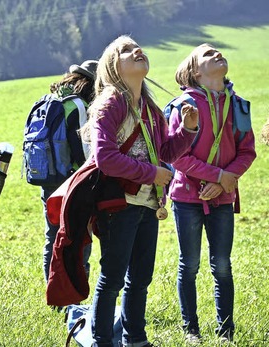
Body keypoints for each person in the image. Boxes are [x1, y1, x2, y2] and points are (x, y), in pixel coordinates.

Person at [79, 35, 199, 347]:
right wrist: (153, 173)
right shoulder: (111, 103)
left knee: (140, 279)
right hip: (118, 203)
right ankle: (102, 341)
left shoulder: (148, 107)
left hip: (147, 203)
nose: (137, 51)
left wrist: (187, 131)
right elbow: (105, 159)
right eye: (127, 50)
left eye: (138, 48)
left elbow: (164, 152)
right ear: (112, 67)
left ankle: (136, 339)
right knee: (113, 278)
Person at [167, 44, 256, 344]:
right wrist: (218, 175)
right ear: (195, 72)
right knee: (189, 265)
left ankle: (226, 331)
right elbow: (177, 157)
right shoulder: (184, 106)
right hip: (186, 198)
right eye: (208, 55)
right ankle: (191, 329)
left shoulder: (239, 104)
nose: (217, 54)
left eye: (218, 51)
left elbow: (247, 151)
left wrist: (223, 182)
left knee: (222, 264)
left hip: (222, 197)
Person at [41, 59, 98, 284]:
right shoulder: (78, 106)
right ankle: (75, 292)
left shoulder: (51, 99)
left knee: (52, 236)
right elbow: (83, 151)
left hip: (48, 177)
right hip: (72, 182)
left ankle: (52, 290)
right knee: (79, 238)